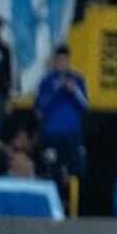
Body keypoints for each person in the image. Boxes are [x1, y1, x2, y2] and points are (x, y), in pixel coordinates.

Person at [34, 45, 87, 180]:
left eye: (64, 60)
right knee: (52, 170)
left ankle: (73, 199)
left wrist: (74, 90)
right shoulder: (47, 81)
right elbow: (39, 108)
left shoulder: (77, 79)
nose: (61, 63)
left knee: (77, 171)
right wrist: (56, 88)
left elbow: (85, 105)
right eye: (59, 60)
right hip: (52, 134)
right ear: (54, 61)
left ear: (68, 61)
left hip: (72, 133)